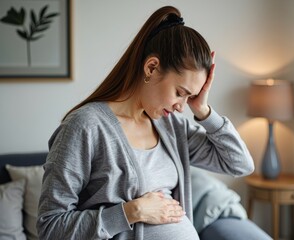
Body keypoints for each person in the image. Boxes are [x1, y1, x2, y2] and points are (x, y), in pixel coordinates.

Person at [37, 5, 255, 240]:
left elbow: (240, 164)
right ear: (151, 67)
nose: (181, 106)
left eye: (189, 97)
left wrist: (203, 110)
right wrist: (132, 212)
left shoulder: (173, 128)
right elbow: (51, 227)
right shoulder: (85, 126)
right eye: (180, 92)